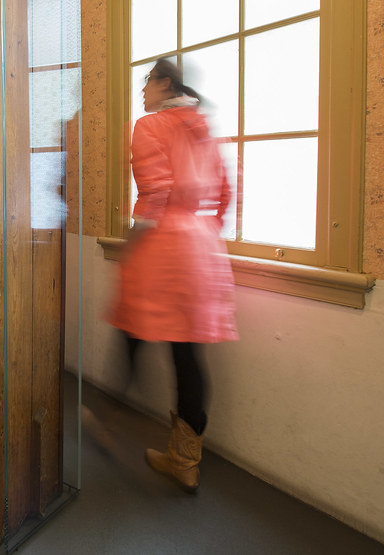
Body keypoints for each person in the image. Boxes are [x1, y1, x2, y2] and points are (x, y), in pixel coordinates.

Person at [107, 57, 238, 494]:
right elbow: (225, 193)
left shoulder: (151, 126)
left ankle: (108, 417)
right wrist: (204, 234)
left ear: (164, 84)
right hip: (203, 250)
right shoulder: (201, 126)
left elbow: (156, 190)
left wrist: (135, 241)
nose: (143, 92)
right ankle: (185, 460)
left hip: (164, 246)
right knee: (187, 355)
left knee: (130, 325)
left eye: (147, 83)